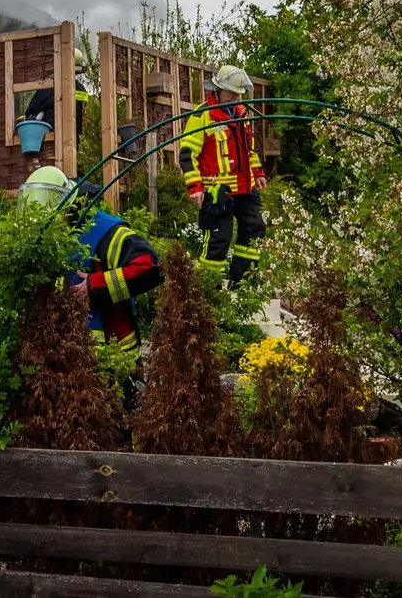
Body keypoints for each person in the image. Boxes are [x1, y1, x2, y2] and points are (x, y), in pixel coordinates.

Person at [19, 166, 164, 404]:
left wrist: (96, 285)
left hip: (114, 359)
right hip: (65, 361)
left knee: (118, 428)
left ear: (67, 206)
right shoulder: (44, 238)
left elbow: (151, 267)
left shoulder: (104, 231)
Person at [178, 65, 267, 287]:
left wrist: (257, 172)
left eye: (238, 94)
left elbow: (249, 150)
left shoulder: (242, 114)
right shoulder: (202, 116)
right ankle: (210, 289)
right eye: (231, 93)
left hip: (246, 188)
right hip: (218, 192)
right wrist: (195, 187)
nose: (236, 98)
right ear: (217, 90)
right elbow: (188, 154)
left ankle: (243, 283)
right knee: (219, 238)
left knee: (254, 230)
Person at [21, 48, 88, 137]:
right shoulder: (81, 90)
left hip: (50, 139)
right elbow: (83, 112)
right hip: (74, 138)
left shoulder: (48, 87)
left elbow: (32, 110)